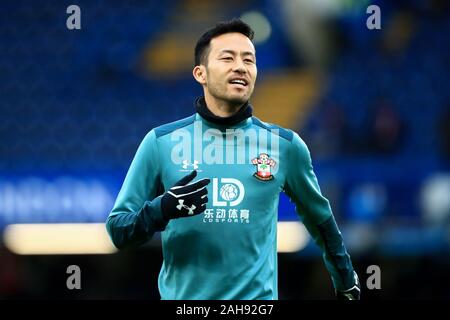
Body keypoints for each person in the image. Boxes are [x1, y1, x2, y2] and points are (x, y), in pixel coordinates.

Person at [106, 18, 360, 300]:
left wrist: (346, 281)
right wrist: (160, 210)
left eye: (249, 60)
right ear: (200, 73)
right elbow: (118, 230)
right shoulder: (160, 143)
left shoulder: (285, 146)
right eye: (227, 58)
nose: (240, 66)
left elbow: (320, 220)